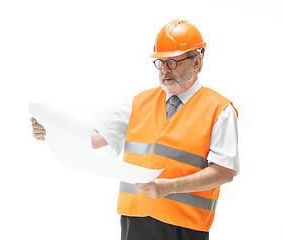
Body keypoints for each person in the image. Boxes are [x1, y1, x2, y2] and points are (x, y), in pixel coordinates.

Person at [31, 20, 239, 240]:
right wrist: (51, 132)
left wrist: (170, 187)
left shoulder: (220, 110)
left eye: (173, 62)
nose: (165, 70)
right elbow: (94, 138)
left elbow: (225, 171)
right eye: (160, 62)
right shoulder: (139, 103)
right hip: (135, 222)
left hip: (184, 227)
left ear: (196, 62)